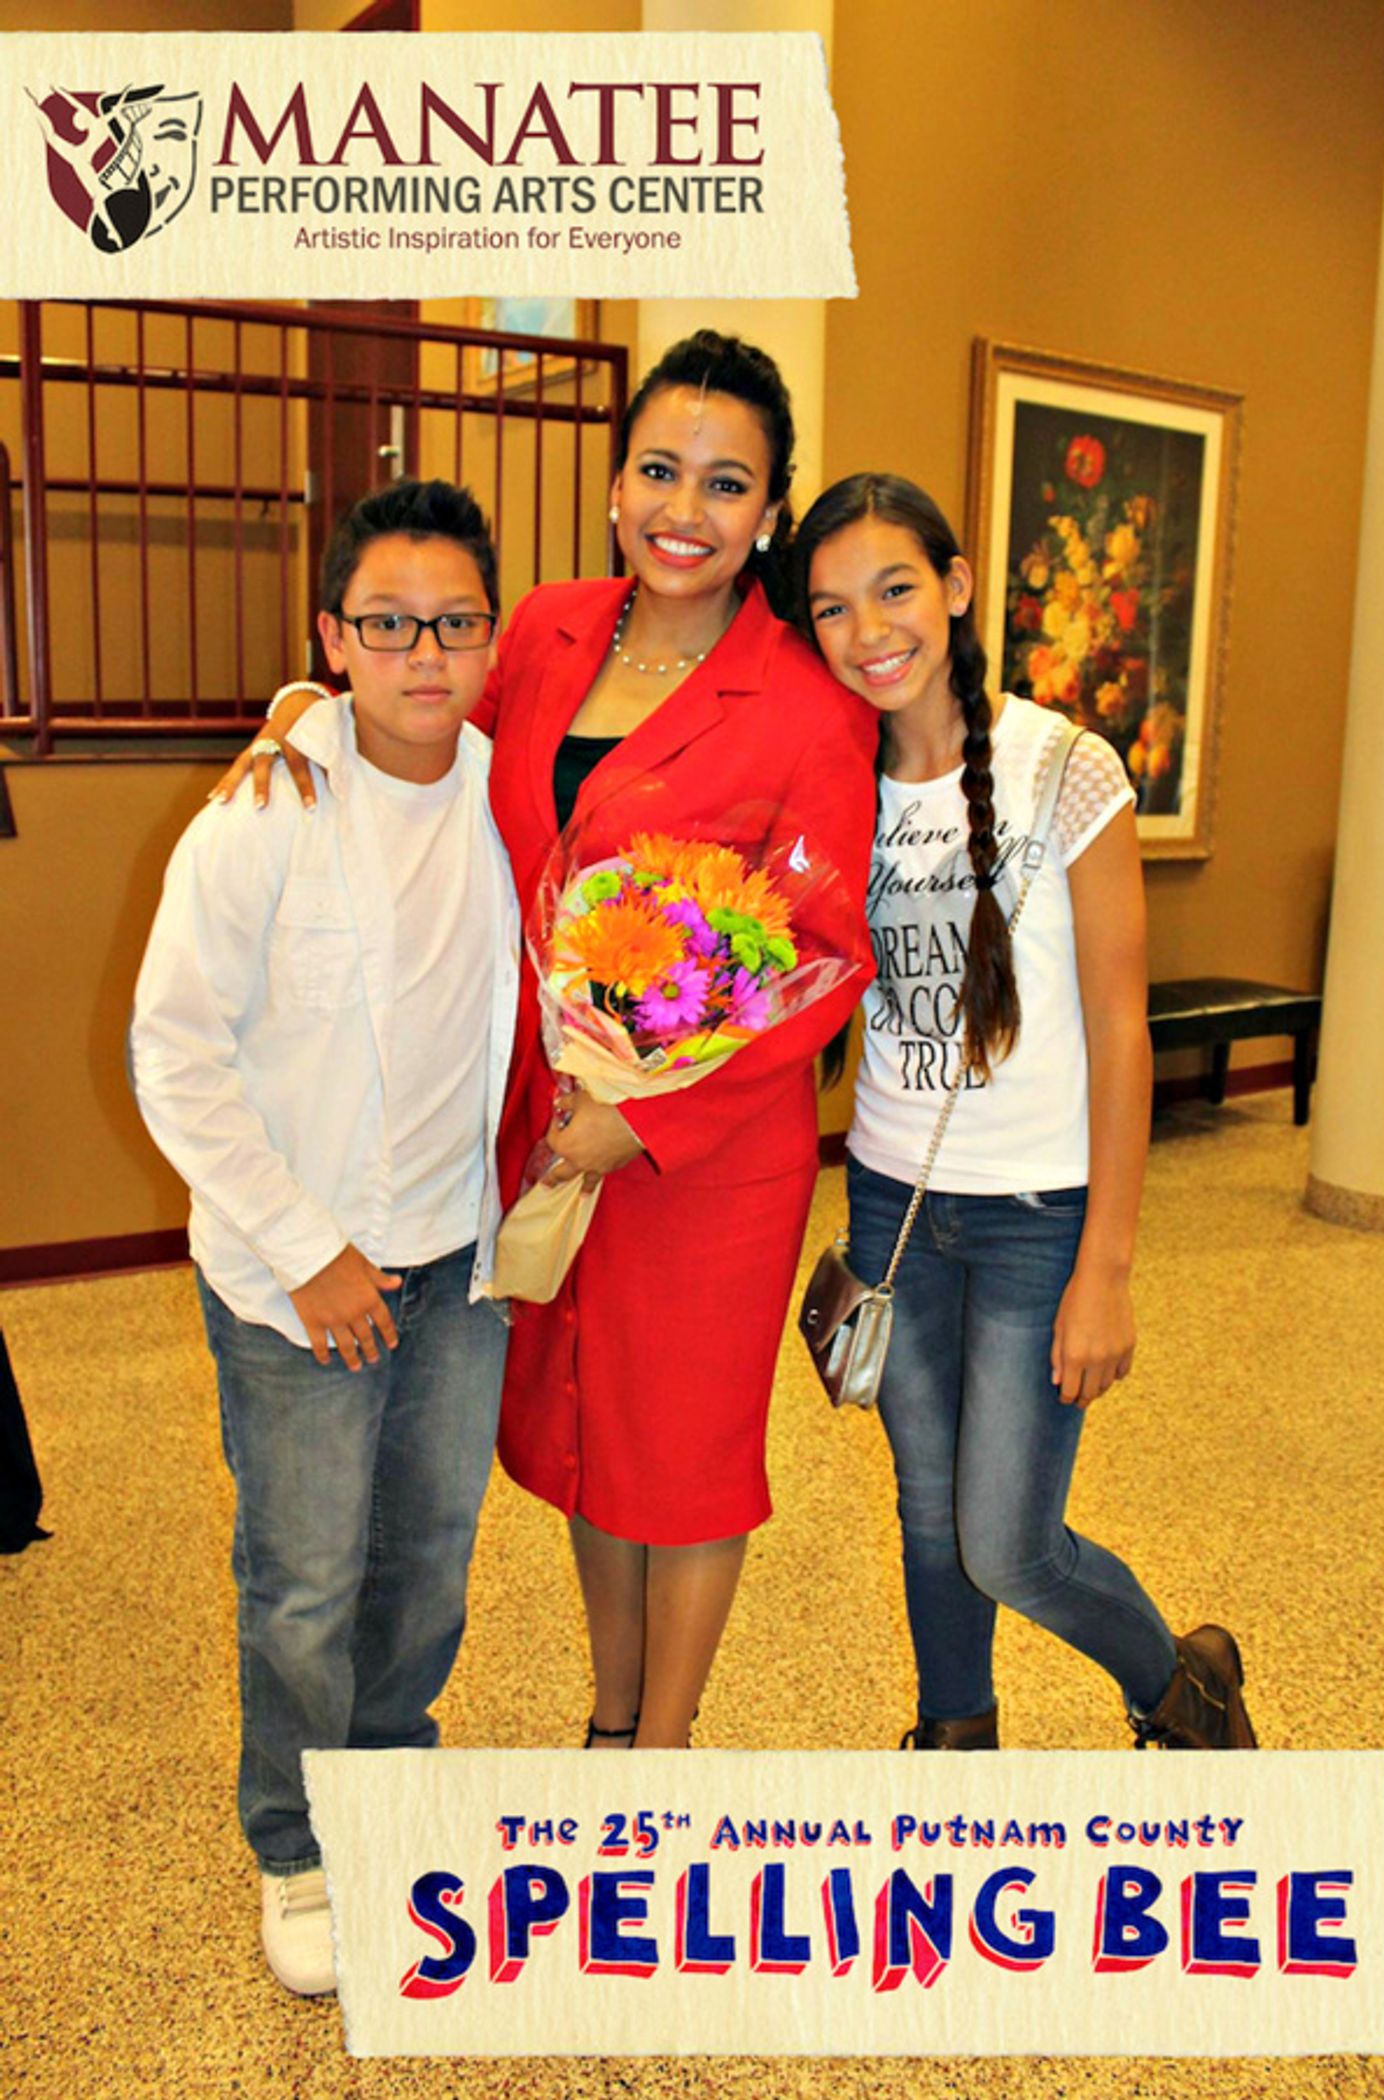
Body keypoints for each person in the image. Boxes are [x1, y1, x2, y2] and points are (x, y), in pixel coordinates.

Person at [213, 334, 878, 1753]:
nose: (682, 509)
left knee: (684, 1461)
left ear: (771, 510)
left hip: (703, 1160)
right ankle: (607, 1716)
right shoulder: (555, 629)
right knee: (586, 1437)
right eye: (657, 469)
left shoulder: (809, 701)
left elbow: (822, 957)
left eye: (725, 482)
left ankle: (663, 1755)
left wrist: (648, 1117)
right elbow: (422, 723)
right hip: (543, 1123)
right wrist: (298, 714)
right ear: (617, 478)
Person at [791, 472, 1257, 1752]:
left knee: (1006, 1542)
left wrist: (1105, 1263)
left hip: (1035, 1219)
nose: (867, 630)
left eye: (893, 589)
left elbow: (1119, 1028)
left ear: (952, 588)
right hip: (889, 1203)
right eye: (830, 608)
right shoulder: (830, 773)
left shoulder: (1065, 768)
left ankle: (1184, 1684)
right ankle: (956, 1737)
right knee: (925, 1510)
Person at [131, 479, 520, 1995]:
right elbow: (175, 1055)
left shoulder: (511, 788)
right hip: (296, 1274)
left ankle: (385, 1793)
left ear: (491, 638)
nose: (425, 653)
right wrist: (305, 1250)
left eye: (455, 624)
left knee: (425, 1565)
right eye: (387, 625)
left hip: (459, 1259)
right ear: (334, 638)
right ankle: (294, 1845)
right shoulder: (265, 810)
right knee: (302, 1578)